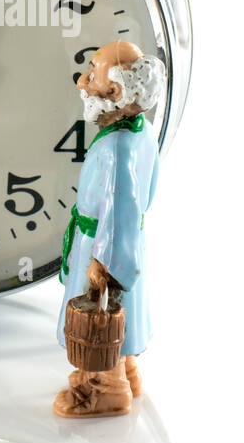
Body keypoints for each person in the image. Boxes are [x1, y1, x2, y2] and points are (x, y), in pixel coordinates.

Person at [54, 40, 165, 418]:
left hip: (102, 243)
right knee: (123, 316)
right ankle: (128, 370)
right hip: (128, 242)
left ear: (115, 92)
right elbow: (147, 194)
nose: (83, 81)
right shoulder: (142, 133)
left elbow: (120, 209)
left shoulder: (117, 147)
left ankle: (105, 388)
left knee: (98, 322)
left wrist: (104, 261)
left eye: (93, 73)